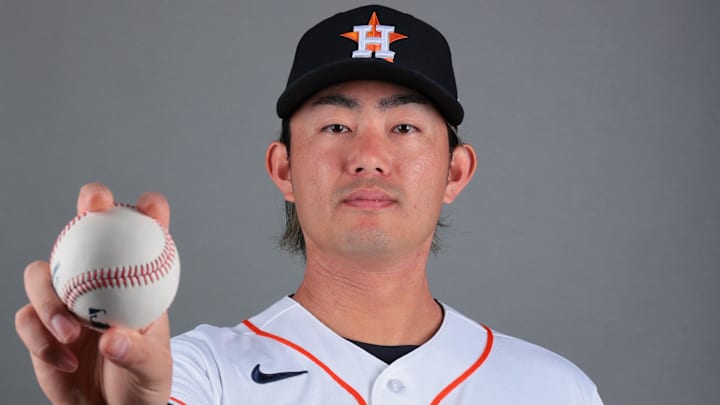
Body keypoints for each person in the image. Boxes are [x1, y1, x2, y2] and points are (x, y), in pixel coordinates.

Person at [15, 4, 603, 404]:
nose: (369, 157)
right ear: (283, 169)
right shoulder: (196, 375)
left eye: (403, 127)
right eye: (335, 126)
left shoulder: (553, 389)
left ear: (455, 171)